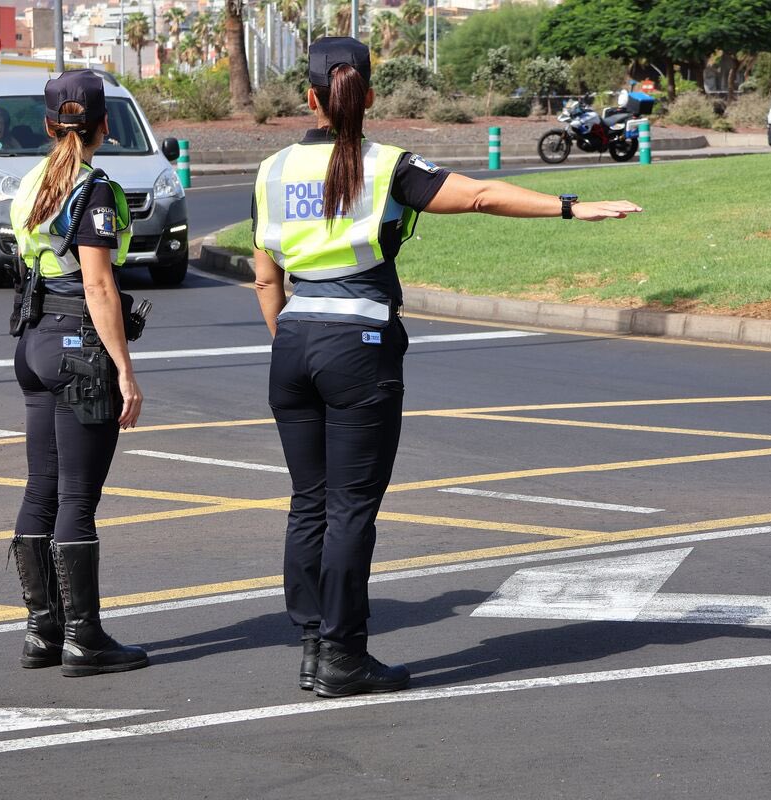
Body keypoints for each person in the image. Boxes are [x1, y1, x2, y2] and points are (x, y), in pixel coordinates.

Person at [252, 37, 641, 699]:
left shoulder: (272, 169)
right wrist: (573, 207)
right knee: (350, 510)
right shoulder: (387, 166)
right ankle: (344, 656)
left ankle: (315, 647)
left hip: (293, 345)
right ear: (369, 96)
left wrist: (296, 337)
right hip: (359, 347)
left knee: (308, 506)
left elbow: (266, 278)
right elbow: (482, 196)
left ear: (309, 97)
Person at [8, 69, 148, 678]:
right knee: (75, 498)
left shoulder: (31, 182)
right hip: (77, 349)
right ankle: (84, 637)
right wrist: (125, 369)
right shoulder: (91, 190)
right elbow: (98, 284)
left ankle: (43, 629)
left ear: (47, 125)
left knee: (41, 488)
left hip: (32, 344)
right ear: (103, 127)